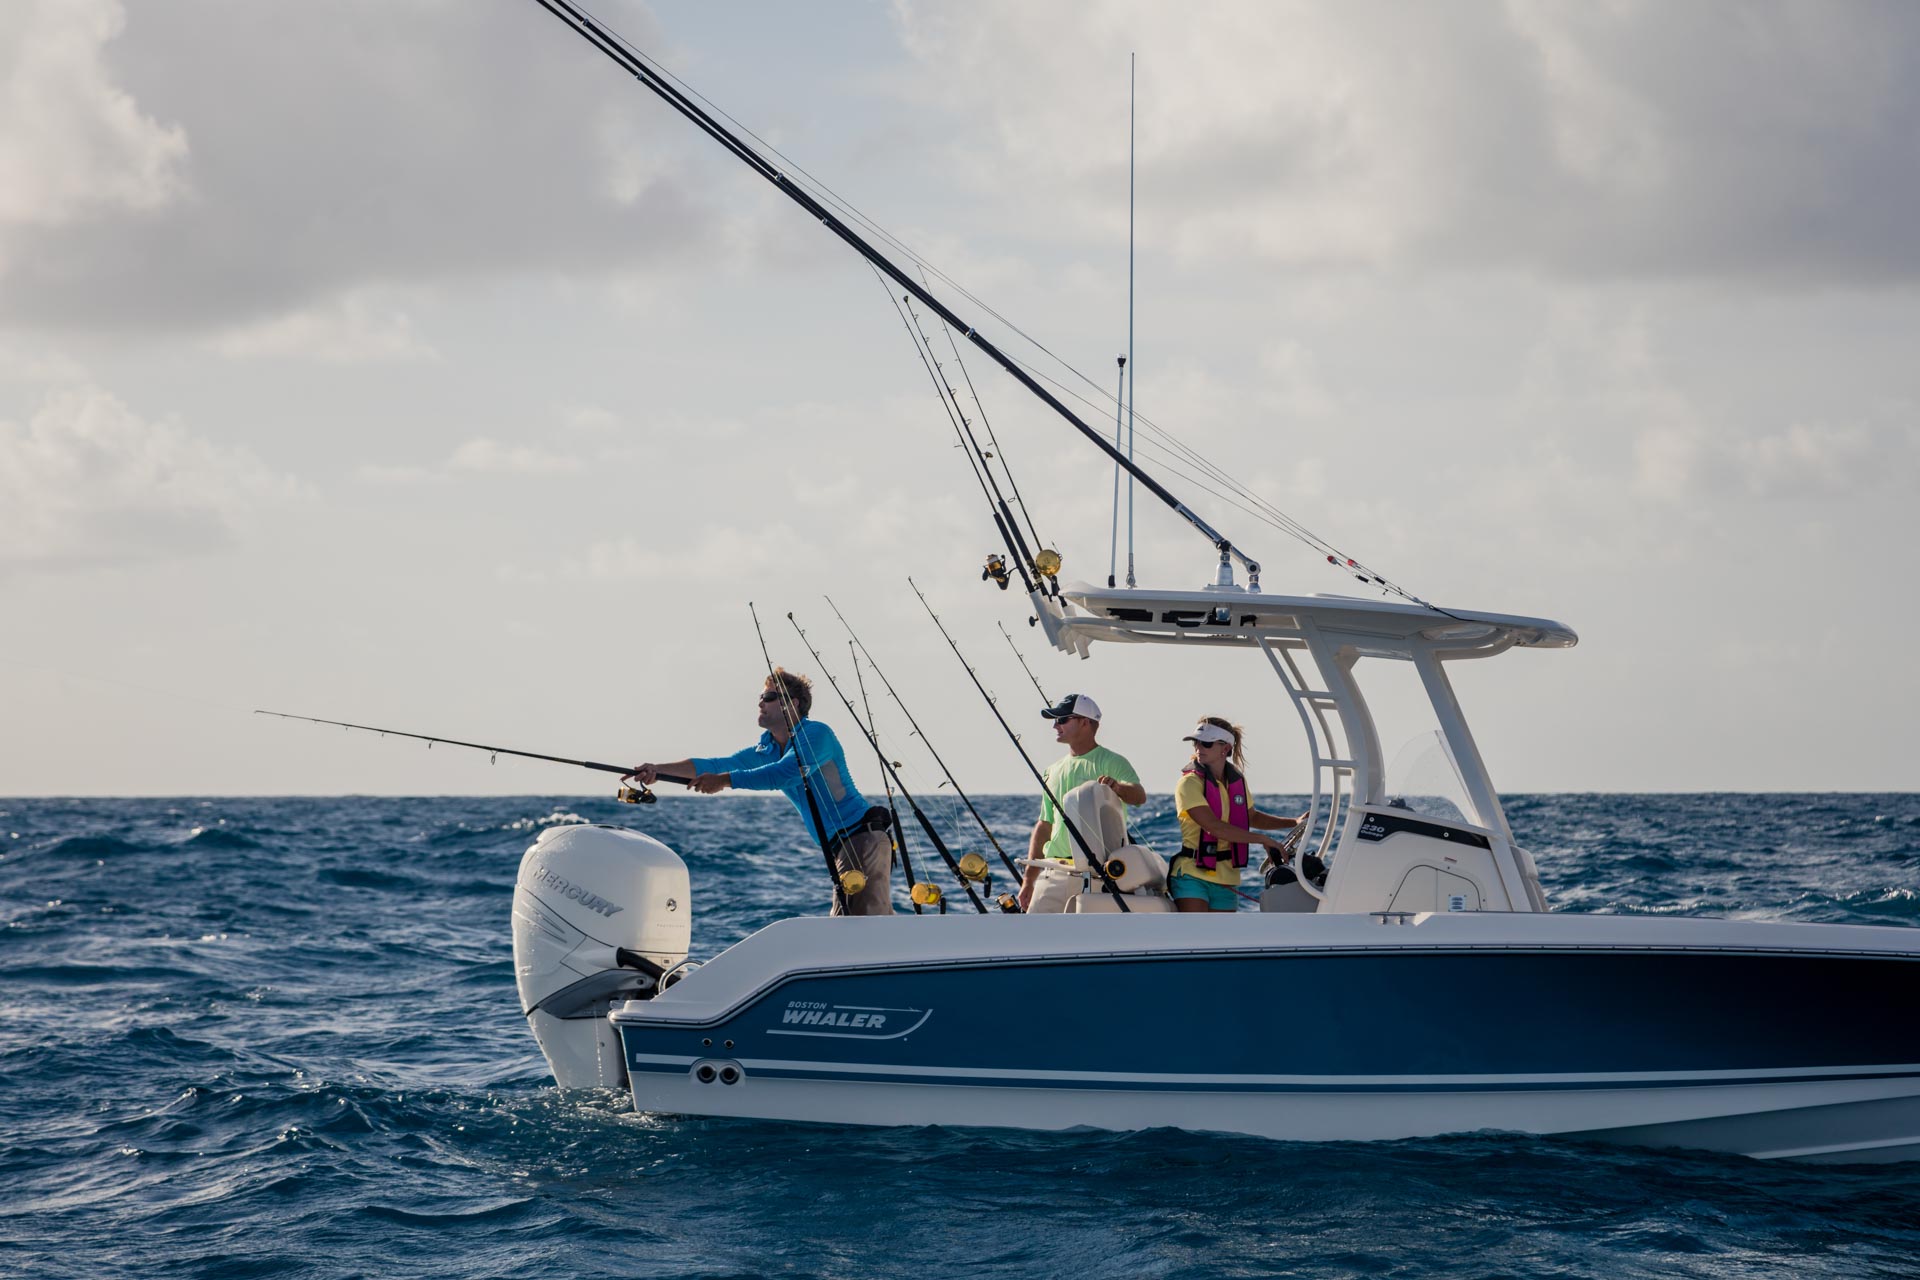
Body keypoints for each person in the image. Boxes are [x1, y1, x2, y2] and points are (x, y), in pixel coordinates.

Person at [627, 668, 894, 916]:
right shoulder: (767, 750)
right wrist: (657, 770)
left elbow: (785, 773)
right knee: (858, 922)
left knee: (855, 924)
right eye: (761, 697)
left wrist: (724, 781)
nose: (760, 703)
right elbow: (716, 765)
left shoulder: (816, 735)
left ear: (793, 704)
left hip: (861, 837)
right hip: (840, 846)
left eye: (768, 697)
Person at [1020, 693, 1145, 912]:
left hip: (1099, 875)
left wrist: (1118, 788)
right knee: (1035, 930)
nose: (1055, 726)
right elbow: (1045, 825)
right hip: (1054, 872)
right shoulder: (1052, 771)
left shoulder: (1113, 761)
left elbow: (1139, 796)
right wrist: (1029, 880)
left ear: (1085, 722)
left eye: (1062, 719)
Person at [1171, 717, 1304, 913]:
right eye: (1196, 742)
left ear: (1225, 748)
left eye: (1206, 743)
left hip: (1227, 879)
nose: (1198, 747)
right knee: (1197, 932)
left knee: (1220, 935)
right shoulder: (1189, 783)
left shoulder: (1236, 781)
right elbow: (1213, 827)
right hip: (1192, 876)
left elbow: (1252, 817)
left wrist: (1294, 822)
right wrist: (1262, 839)